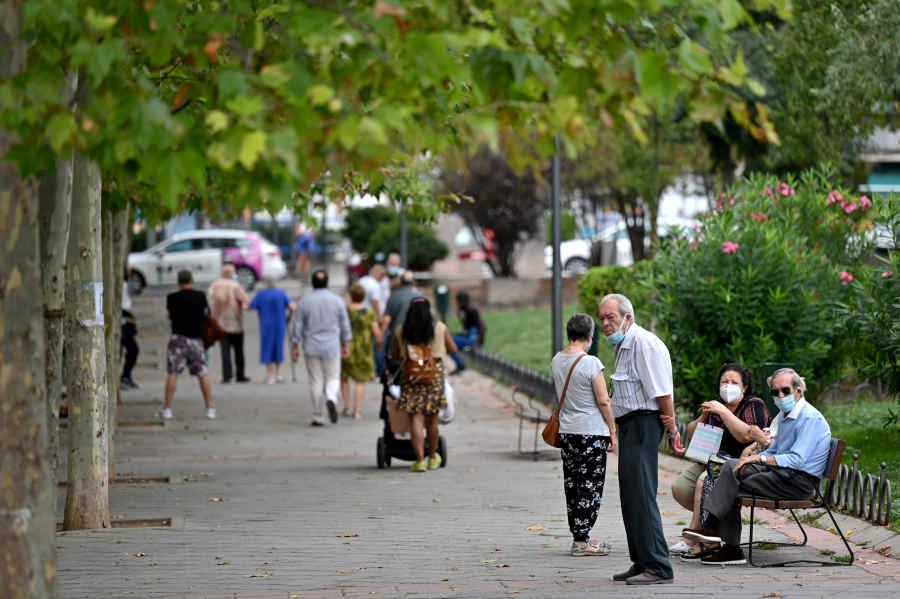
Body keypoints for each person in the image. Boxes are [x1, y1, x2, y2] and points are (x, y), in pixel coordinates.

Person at [684, 368, 832, 566]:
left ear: (798, 391)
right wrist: (754, 457)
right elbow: (775, 450)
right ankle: (715, 534)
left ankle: (721, 539)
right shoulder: (786, 415)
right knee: (730, 466)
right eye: (775, 392)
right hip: (780, 474)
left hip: (798, 481)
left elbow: (797, 459)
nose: (780, 396)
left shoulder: (809, 418)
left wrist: (758, 461)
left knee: (733, 481)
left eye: (785, 391)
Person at [597, 293, 682, 585]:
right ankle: (641, 560)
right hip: (630, 426)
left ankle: (659, 566)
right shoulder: (624, 345)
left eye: (612, 317)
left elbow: (662, 393)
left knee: (642, 496)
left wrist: (672, 429)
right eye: (603, 318)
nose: (606, 323)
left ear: (627, 317)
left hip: (645, 424)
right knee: (630, 496)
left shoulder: (645, 344)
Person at [669, 363, 770, 558]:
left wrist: (724, 412)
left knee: (703, 481)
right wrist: (704, 416)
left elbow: (747, 436)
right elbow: (690, 432)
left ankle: (695, 538)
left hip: (740, 464)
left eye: (734, 382)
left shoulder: (753, 404)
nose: (728, 385)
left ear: (745, 387)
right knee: (679, 487)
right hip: (712, 460)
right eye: (725, 381)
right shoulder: (716, 404)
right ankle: (713, 528)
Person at [551, 313, 617, 557]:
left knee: (573, 484)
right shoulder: (591, 363)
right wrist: (612, 429)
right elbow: (603, 400)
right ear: (590, 336)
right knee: (590, 486)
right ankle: (582, 541)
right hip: (591, 432)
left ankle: (579, 536)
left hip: (567, 431)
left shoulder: (556, 360)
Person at [390, 297, 457, 472]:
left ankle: (419, 460)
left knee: (416, 418)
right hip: (433, 377)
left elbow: (395, 355)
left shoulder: (401, 330)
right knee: (432, 420)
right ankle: (433, 457)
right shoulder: (439, 328)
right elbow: (453, 349)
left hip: (411, 378)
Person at [291, 269, 351, 426]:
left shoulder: (305, 301)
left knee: (316, 380)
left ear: (312, 283)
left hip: (311, 346)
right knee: (333, 377)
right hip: (332, 345)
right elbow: (344, 324)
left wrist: (295, 345)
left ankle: (318, 415)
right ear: (328, 283)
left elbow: (298, 326)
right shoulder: (337, 300)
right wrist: (347, 343)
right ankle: (331, 397)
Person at [160, 270, 215, 420]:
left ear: (178, 282)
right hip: (196, 340)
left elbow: (170, 315)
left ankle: (167, 409)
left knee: (173, 373)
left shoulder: (172, 298)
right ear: (192, 280)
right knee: (202, 373)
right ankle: (210, 408)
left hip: (178, 339)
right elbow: (208, 315)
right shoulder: (201, 296)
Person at [341, 283, 383, 419]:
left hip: (346, 348)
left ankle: (346, 407)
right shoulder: (368, 313)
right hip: (364, 350)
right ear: (363, 297)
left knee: (344, 378)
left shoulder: (345, 311)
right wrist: (379, 342)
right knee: (360, 381)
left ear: (351, 296)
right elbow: (376, 332)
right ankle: (357, 411)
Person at [207, 262, 251, 384]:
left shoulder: (214, 286)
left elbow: (210, 305)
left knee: (224, 351)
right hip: (236, 324)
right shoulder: (235, 286)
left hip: (220, 324)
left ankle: (227, 376)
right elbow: (246, 300)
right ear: (232, 273)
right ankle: (240, 375)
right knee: (238, 351)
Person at [250, 278, 295, 384]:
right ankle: (279, 374)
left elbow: (251, 306)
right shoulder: (281, 293)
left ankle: (270, 375)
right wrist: (289, 317)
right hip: (280, 324)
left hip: (266, 325)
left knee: (267, 348)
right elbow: (292, 307)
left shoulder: (260, 294)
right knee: (278, 347)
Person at [382, 269, 423, 359]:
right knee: (416, 365)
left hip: (397, 339)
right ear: (413, 283)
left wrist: (381, 337)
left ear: (401, 282)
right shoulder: (421, 296)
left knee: (397, 365)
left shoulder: (394, 296)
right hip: (416, 339)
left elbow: (387, 319)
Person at [358, 264, 387, 376]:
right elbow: (375, 302)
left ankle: (361, 367)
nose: (382, 278)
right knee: (377, 342)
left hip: (358, 315)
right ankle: (376, 370)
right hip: (370, 318)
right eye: (382, 275)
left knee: (362, 343)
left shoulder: (362, 280)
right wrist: (379, 318)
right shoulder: (375, 285)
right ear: (377, 273)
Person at [448, 290, 484, 375]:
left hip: (472, 340)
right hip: (470, 337)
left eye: (458, 302)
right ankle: (460, 364)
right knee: (451, 337)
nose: (457, 304)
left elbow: (481, 327)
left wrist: (479, 341)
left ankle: (460, 366)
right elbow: (466, 327)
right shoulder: (465, 311)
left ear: (462, 301)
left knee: (448, 343)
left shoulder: (471, 310)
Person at [120, 266, 140, 389]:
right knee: (132, 349)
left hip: (126, 322)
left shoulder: (125, 284)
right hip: (121, 322)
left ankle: (126, 376)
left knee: (133, 350)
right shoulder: (120, 285)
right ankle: (125, 377)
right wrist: (129, 314)